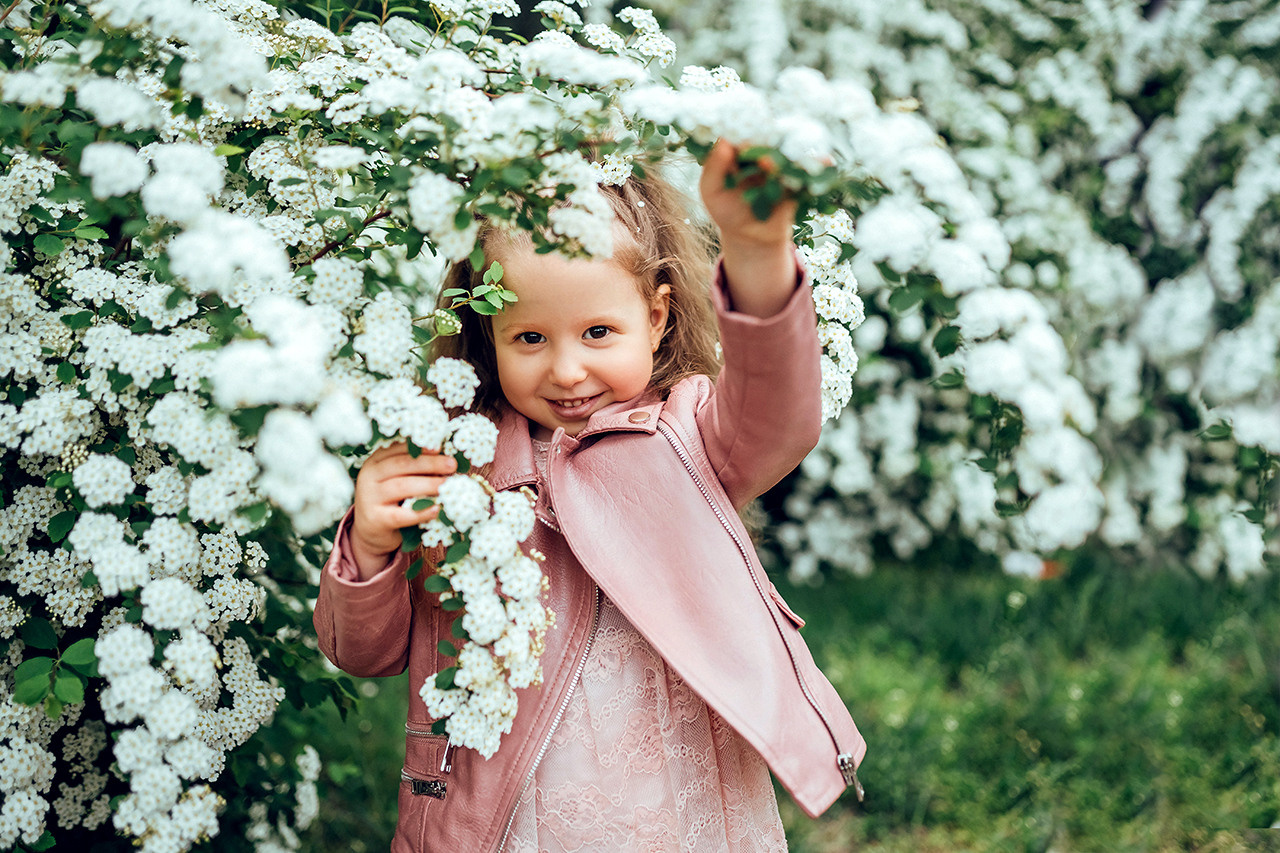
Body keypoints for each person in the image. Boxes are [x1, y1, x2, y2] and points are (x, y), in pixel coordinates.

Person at [313, 140, 866, 852]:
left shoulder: (689, 434)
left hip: (677, 801)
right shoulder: (454, 465)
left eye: (598, 332)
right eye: (530, 337)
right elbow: (365, 652)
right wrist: (369, 545)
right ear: (487, 331)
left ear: (658, 317)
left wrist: (757, 253)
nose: (568, 369)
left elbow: (777, 413)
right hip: (517, 814)